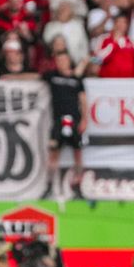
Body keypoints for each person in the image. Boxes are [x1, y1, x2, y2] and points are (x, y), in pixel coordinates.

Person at [44, 52, 87, 196]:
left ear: (69, 61)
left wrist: (85, 120)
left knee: (77, 153)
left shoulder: (77, 79)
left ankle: (78, 184)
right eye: (59, 60)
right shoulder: (53, 77)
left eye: (64, 60)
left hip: (74, 120)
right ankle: (49, 185)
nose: (61, 63)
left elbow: (83, 100)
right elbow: (34, 76)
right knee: (53, 153)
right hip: (58, 121)